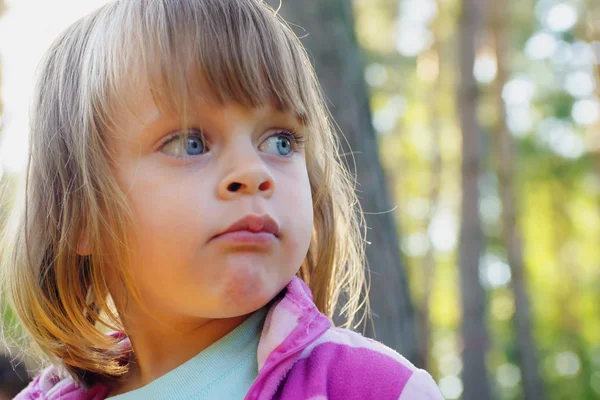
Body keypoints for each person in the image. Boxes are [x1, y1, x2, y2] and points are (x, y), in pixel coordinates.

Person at [2, 0, 444, 398]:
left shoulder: (374, 389)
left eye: (281, 141)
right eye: (190, 143)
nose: (254, 172)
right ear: (78, 214)